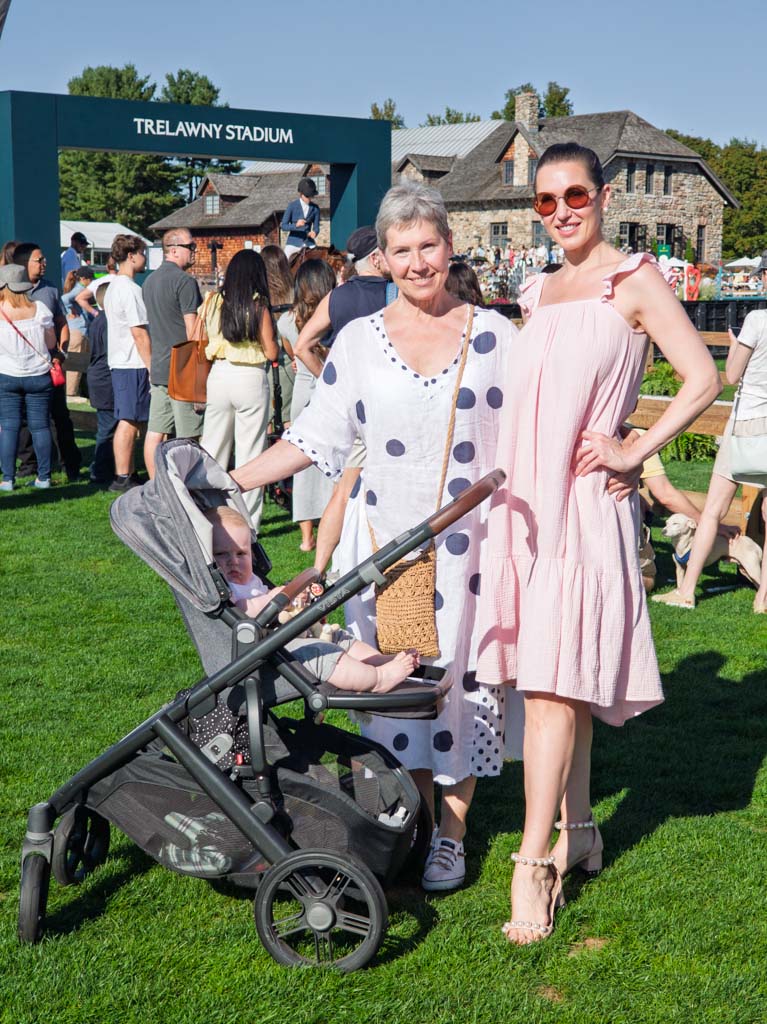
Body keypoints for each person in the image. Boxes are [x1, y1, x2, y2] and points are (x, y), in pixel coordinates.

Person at [230, 181, 517, 893]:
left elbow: (535, 429)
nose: (417, 262)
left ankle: (451, 837)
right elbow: (314, 436)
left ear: (450, 246)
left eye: (428, 245)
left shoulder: (495, 335)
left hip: (475, 550)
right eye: (401, 249)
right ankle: (417, 822)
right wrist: (229, 480)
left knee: (462, 690)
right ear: (381, 259)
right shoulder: (359, 341)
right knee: (399, 692)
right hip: (385, 550)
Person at [475, 142, 721, 945]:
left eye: (574, 195)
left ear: (603, 197)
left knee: (550, 685)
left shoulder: (635, 280)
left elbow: (703, 378)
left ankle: (532, 864)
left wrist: (633, 449)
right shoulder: (536, 289)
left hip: (584, 505)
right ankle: (579, 831)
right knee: (560, 678)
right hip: (526, 503)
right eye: (544, 202)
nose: (560, 212)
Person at [206, 505, 418, 691]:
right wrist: (273, 596)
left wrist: (295, 599)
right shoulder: (225, 588)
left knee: (339, 637)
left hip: (288, 632)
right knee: (322, 653)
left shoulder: (250, 579)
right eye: (221, 554)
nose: (233, 561)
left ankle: (377, 661)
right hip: (270, 648)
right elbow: (243, 611)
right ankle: (378, 679)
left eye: (241, 553)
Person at [653, 303, 767, 612]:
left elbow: (732, 374)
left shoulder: (757, 319)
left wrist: (734, 346)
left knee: (714, 510)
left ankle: (686, 591)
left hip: (746, 428)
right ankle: (763, 598)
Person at [294, 225, 393, 576]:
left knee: (343, 491)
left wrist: (329, 381)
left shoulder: (337, 297)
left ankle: (323, 568)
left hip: (352, 406)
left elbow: (301, 346)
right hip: (386, 405)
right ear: (377, 258)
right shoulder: (396, 294)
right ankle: (333, 567)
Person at [199, 250, 279, 531]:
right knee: (251, 455)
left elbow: (202, 337)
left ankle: (205, 513)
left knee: (212, 450)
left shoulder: (212, 301)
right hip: (250, 376)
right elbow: (271, 352)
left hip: (219, 374)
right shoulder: (258, 306)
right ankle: (247, 524)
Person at [12, 242, 81, 481]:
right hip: (19, 367)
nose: (44, 263)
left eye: (43, 259)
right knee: (22, 418)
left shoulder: (50, 289)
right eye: (39, 260)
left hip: (49, 365)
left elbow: (61, 322)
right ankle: (29, 465)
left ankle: (70, 464)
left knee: (59, 416)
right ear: (24, 263)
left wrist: (62, 352)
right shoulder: (9, 292)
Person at [282, 260, 337, 552]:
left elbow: (292, 352)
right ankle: (332, 525)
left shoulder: (287, 321)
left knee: (302, 465)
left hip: (302, 393)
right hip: (329, 391)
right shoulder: (334, 318)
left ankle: (306, 538)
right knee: (334, 463)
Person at [142, 228, 204, 478]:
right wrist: (201, 374)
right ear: (175, 249)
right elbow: (193, 331)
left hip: (159, 368)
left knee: (155, 432)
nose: (194, 252)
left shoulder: (149, 281)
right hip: (183, 370)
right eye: (191, 246)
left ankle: (157, 486)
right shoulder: (185, 281)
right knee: (189, 437)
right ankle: (189, 489)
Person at [0, 264, 56, 490]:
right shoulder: (39, 308)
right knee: (40, 427)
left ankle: (7, 479)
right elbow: (51, 343)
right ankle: (44, 477)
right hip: (38, 374)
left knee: (9, 427)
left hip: (7, 375)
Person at [103, 234, 151, 493]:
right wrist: (152, 367)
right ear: (131, 256)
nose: (145, 257)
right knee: (129, 421)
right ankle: (122, 476)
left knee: (131, 419)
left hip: (122, 361)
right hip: (132, 362)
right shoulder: (130, 290)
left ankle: (128, 472)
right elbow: (139, 333)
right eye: (142, 253)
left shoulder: (113, 286)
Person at [261, 244, 296, 427]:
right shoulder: (294, 294)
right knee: (288, 419)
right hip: (289, 362)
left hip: (265, 362)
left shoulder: (259, 297)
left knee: (266, 419)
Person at [85, 281, 116, 485]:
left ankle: (105, 466)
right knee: (107, 427)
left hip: (98, 377)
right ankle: (100, 470)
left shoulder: (98, 320)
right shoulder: (108, 322)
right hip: (105, 379)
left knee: (107, 426)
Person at [62, 265, 96, 397]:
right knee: (75, 366)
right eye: (90, 279)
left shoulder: (78, 288)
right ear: (83, 279)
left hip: (80, 331)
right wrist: (71, 309)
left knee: (81, 365)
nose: (92, 281)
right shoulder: (80, 289)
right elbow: (64, 299)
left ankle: (76, 392)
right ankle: (71, 393)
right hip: (77, 331)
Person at [281, 177, 320, 259]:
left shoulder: (315, 208)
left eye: (311, 196)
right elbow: (283, 226)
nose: (309, 199)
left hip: (309, 242)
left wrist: (315, 233)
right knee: (284, 260)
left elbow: (316, 227)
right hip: (293, 242)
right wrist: (296, 225)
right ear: (301, 194)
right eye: (307, 196)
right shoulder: (292, 206)